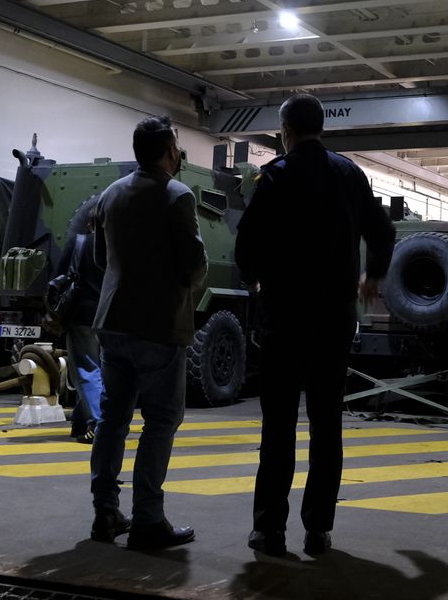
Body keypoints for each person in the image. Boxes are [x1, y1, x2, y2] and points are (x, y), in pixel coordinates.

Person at [235, 93, 395, 558]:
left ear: (285, 131)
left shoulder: (276, 176)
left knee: (279, 427)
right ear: (321, 127)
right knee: (327, 426)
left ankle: (269, 530)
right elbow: (382, 232)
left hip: (284, 320)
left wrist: (257, 279)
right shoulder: (349, 174)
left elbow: (247, 244)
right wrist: (373, 274)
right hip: (334, 321)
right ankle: (318, 530)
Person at [88, 116, 207, 550]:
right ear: (167, 151)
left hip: (112, 322)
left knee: (112, 419)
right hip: (158, 326)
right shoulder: (178, 195)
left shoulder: (109, 194)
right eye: (176, 145)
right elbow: (194, 264)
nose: (179, 152)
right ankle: (148, 520)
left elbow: (102, 259)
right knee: (160, 422)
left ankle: (105, 514)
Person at [57, 193, 105, 444]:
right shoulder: (121, 247)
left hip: (82, 316)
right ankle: (80, 422)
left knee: (86, 369)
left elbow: (60, 276)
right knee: (98, 372)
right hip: (110, 317)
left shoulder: (79, 243)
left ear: (88, 222)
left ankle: (97, 424)